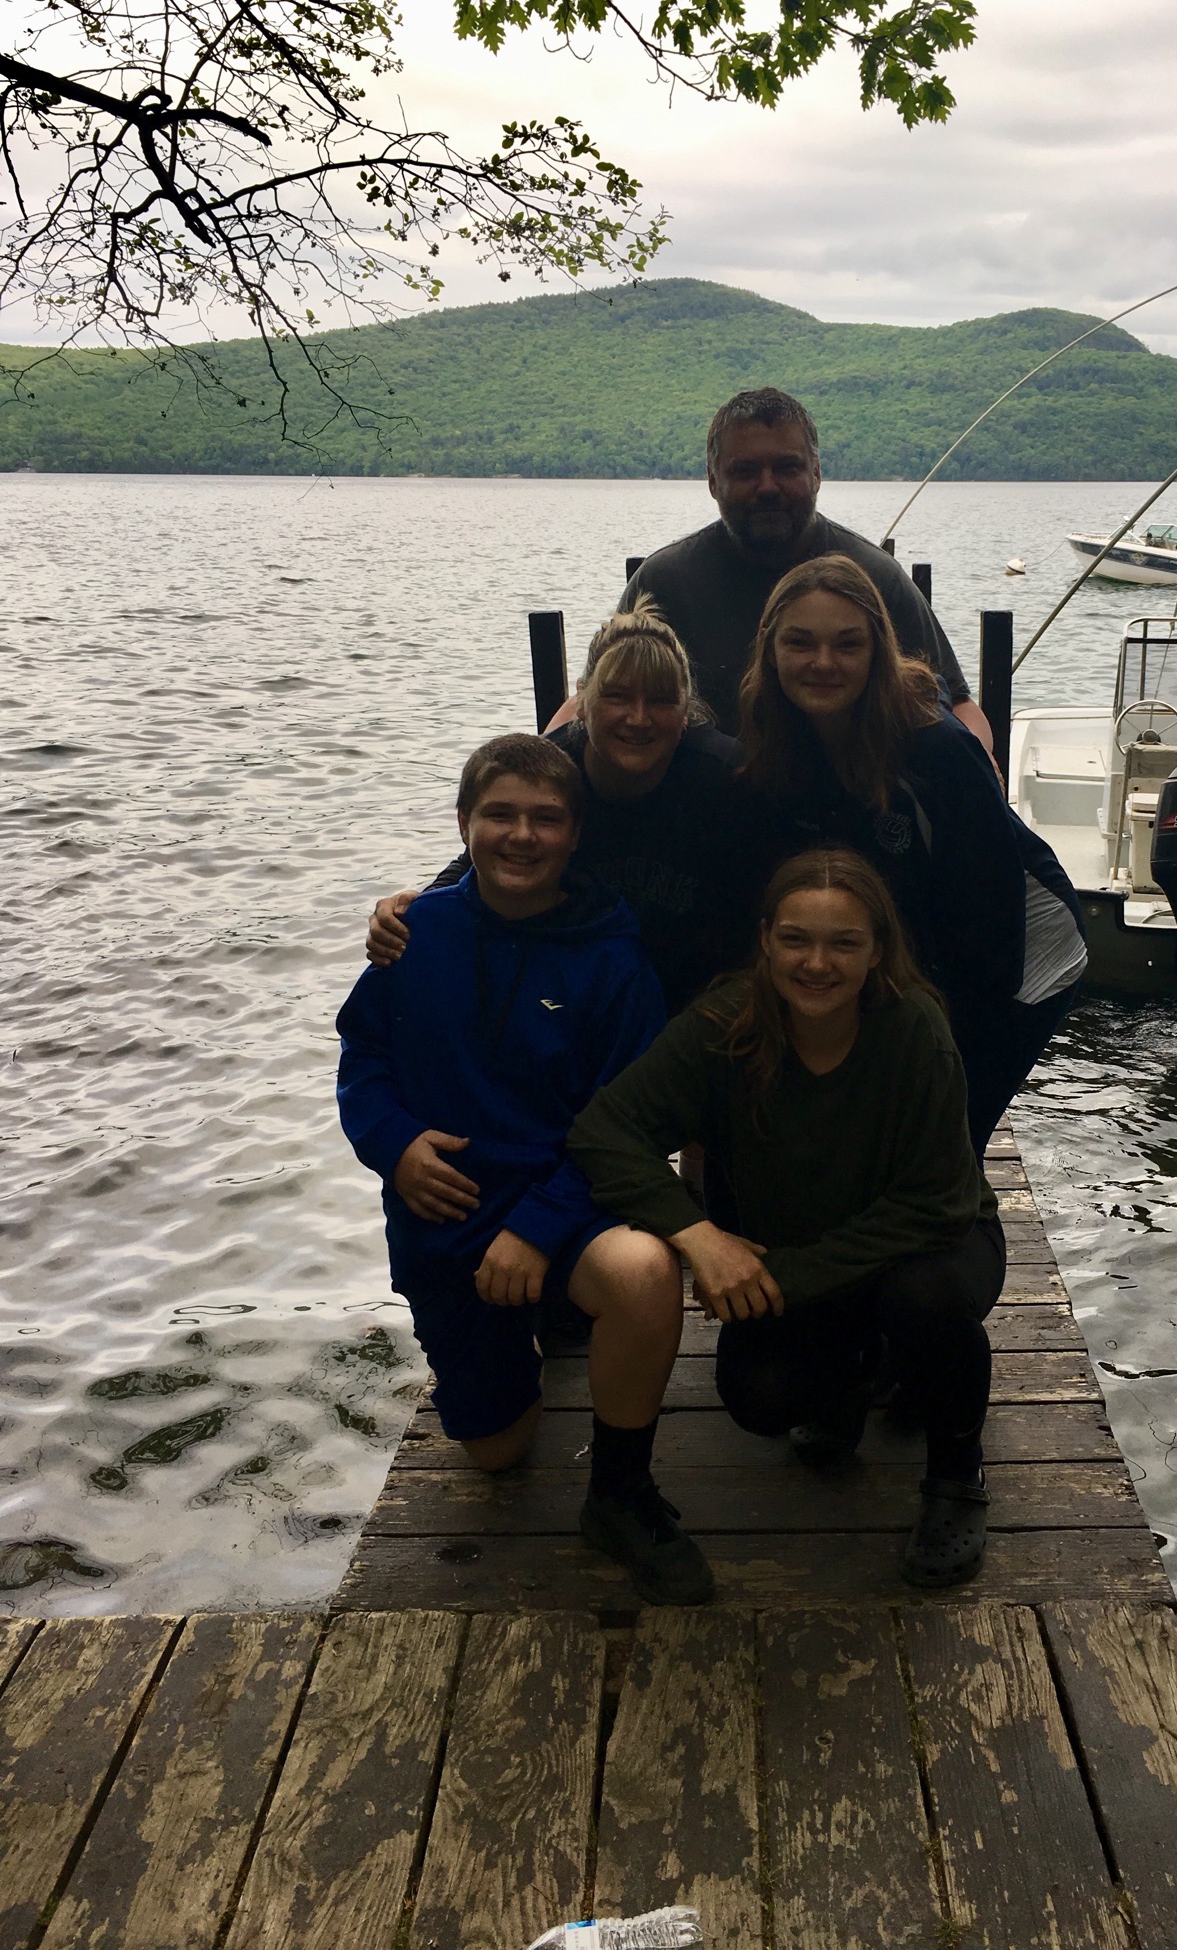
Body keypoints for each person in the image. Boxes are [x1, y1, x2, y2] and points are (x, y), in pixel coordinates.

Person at [335, 732, 714, 1606]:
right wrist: (393, 1144)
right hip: (445, 1212)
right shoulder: (414, 934)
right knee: (498, 1453)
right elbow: (363, 1056)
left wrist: (540, 1227)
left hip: (565, 1201)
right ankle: (521, 1339)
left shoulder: (615, 960)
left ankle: (619, 1494)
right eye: (499, 814)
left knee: (644, 1271)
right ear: (463, 823)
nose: (521, 835)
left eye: (546, 818)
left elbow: (628, 1126)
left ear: (575, 835)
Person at [569, 848, 1004, 1589]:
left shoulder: (913, 1028)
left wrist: (779, 1279)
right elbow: (604, 1131)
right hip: (802, 1252)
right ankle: (860, 1375)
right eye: (796, 939)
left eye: (844, 943)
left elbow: (937, 1204)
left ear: (878, 951)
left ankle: (956, 1475)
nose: (817, 963)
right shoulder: (723, 1024)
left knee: (923, 1300)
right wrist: (699, 1237)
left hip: (928, 1245)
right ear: (766, 939)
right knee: (760, 1396)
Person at [737, 552, 1087, 1157]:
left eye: (848, 644)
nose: (823, 663)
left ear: (879, 650)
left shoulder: (937, 752)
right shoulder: (780, 736)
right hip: (915, 932)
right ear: (770, 650)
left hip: (1025, 949)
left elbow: (989, 926)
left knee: (944, 1136)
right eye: (800, 642)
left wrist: (942, 1054)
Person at [364, 604, 750, 1013]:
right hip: (580, 992)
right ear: (582, 701)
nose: (638, 719)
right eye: (616, 696)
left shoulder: (729, 778)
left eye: (660, 701)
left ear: (686, 712)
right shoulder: (552, 770)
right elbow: (483, 857)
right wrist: (413, 912)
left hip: (704, 997)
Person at [596, 386, 992, 747]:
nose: (768, 487)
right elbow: (591, 700)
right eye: (746, 471)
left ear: (816, 474)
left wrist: (975, 769)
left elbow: (958, 705)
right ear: (713, 481)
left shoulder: (877, 577)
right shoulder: (664, 583)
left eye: (787, 468)